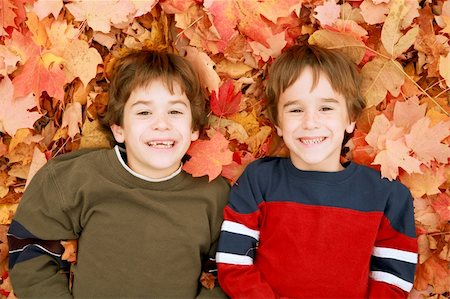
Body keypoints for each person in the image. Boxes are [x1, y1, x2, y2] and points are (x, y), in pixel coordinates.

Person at [7, 50, 230, 298]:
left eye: (175, 112)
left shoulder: (213, 194)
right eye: (144, 112)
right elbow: (28, 247)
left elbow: (229, 272)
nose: (161, 124)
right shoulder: (79, 177)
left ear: (194, 129)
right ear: (119, 129)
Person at [215, 44, 418, 298]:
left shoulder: (386, 194)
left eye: (326, 108)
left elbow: (394, 277)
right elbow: (233, 262)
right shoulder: (259, 180)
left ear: (350, 118)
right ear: (278, 123)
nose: (310, 122)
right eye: (296, 109)